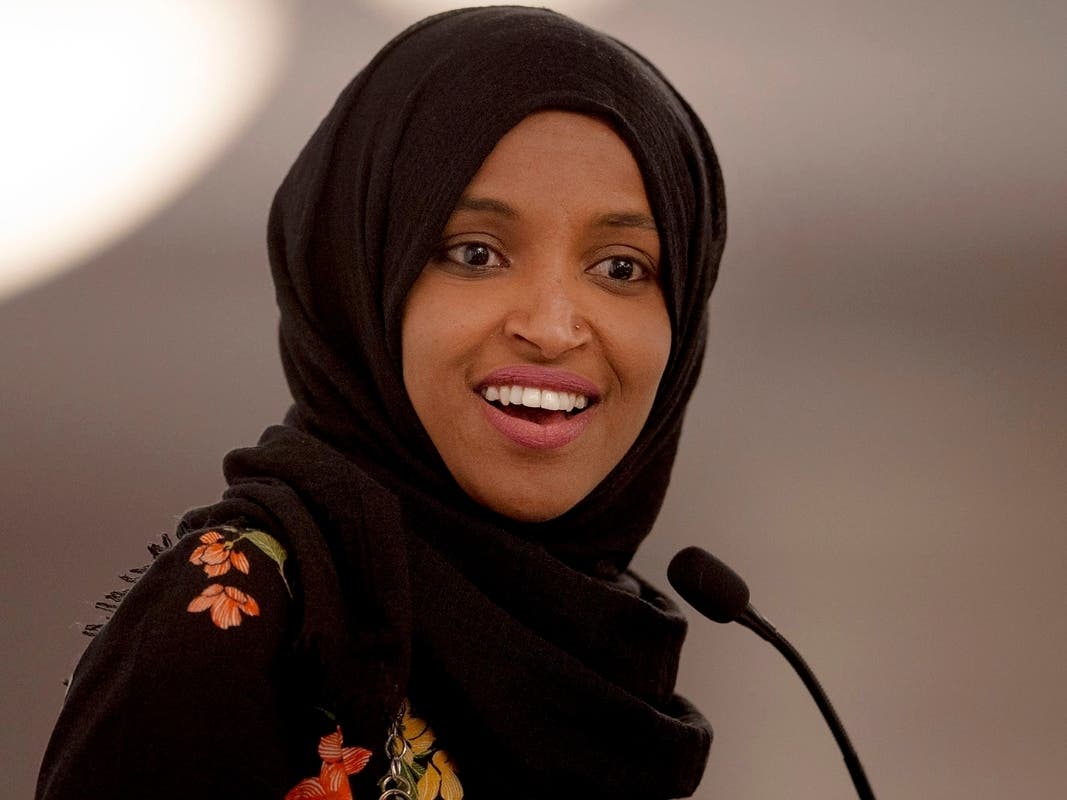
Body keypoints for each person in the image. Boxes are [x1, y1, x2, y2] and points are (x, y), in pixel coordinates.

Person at [36, 6, 726, 799]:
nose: (551, 327)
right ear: (355, 284)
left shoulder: (617, 669)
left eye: (620, 268)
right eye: (474, 253)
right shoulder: (233, 624)